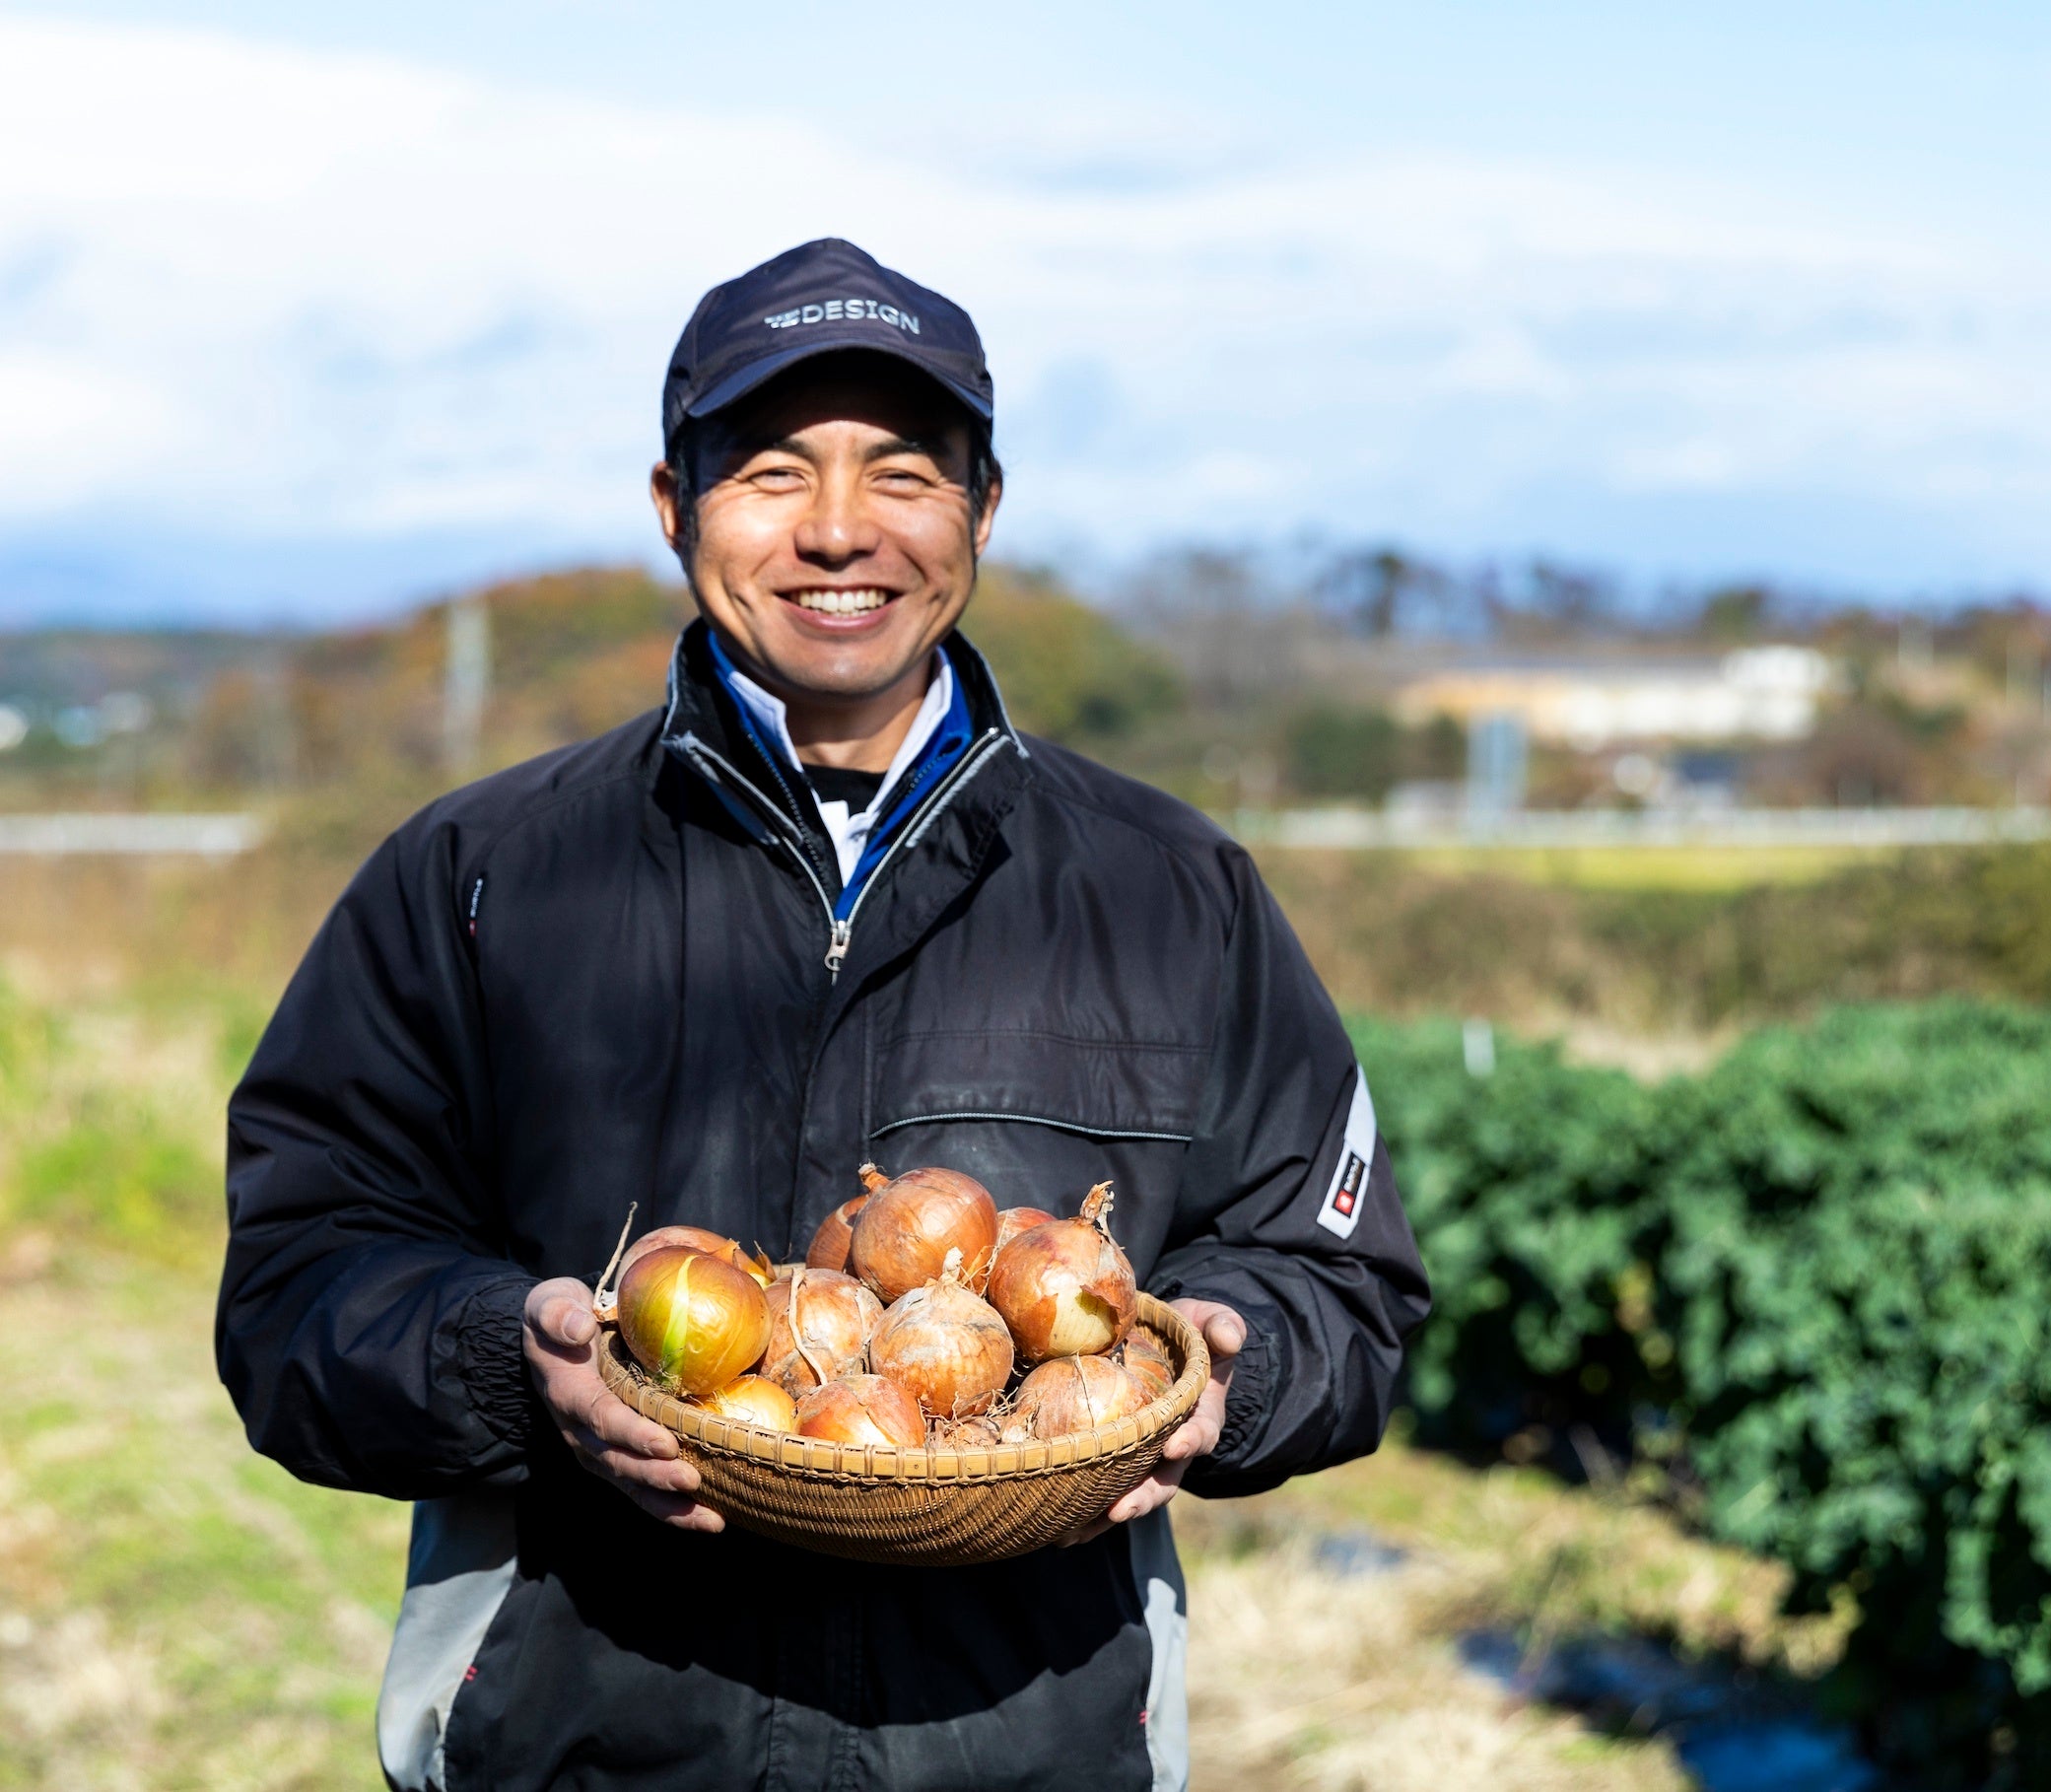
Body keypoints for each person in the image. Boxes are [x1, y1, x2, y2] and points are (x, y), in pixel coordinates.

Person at [215, 238, 1431, 1792]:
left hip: (1027, 1754)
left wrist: (1222, 1373)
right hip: (585, 1750)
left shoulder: (1169, 891)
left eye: (903, 472)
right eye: (774, 471)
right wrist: (508, 1363)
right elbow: (296, 1290)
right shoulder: (481, 877)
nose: (840, 528)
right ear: (675, 506)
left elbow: (1343, 1285)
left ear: (983, 509)